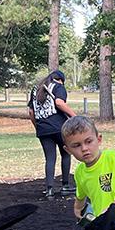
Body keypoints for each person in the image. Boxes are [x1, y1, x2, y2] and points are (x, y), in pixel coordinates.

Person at [61, 115, 115, 227]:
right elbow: (81, 195)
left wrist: (106, 212)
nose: (84, 148)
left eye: (88, 141)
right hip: (107, 229)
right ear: (68, 150)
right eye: (77, 145)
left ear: (99, 139)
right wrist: (78, 208)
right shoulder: (80, 172)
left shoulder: (113, 159)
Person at [28, 68, 77, 199]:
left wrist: (38, 127)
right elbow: (59, 103)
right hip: (59, 127)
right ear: (60, 80)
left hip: (43, 129)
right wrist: (75, 117)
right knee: (66, 154)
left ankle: (49, 189)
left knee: (50, 158)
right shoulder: (58, 86)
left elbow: (31, 113)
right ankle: (65, 186)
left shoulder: (36, 89)